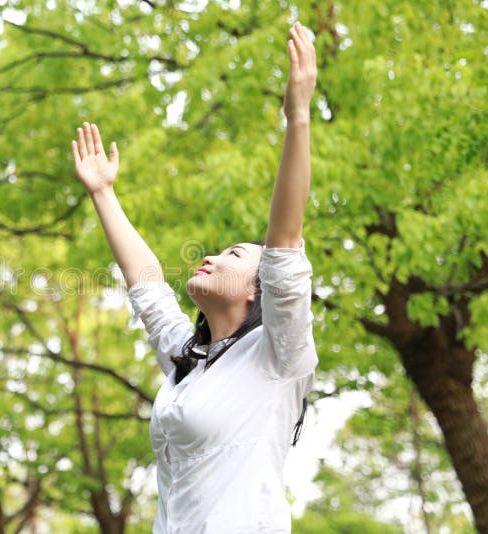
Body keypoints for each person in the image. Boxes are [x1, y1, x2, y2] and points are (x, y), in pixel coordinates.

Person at [71, 22, 318, 534]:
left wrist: (297, 117)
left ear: (259, 290)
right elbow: (148, 287)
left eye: (234, 253)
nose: (211, 255)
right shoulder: (190, 360)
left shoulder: (278, 356)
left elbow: (286, 239)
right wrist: (103, 194)